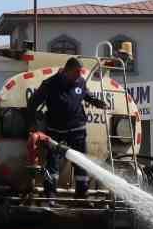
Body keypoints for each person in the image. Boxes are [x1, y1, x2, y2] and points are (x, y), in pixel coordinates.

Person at [27, 58, 108, 196]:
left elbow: (86, 95)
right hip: (55, 131)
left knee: (81, 162)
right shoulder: (50, 84)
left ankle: (82, 193)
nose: (79, 76)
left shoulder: (80, 82)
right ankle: (50, 194)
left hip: (77, 129)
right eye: (76, 72)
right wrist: (33, 123)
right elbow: (33, 103)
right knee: (53, 163)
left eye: (80, 73)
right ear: (67, 70)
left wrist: (96, 101)